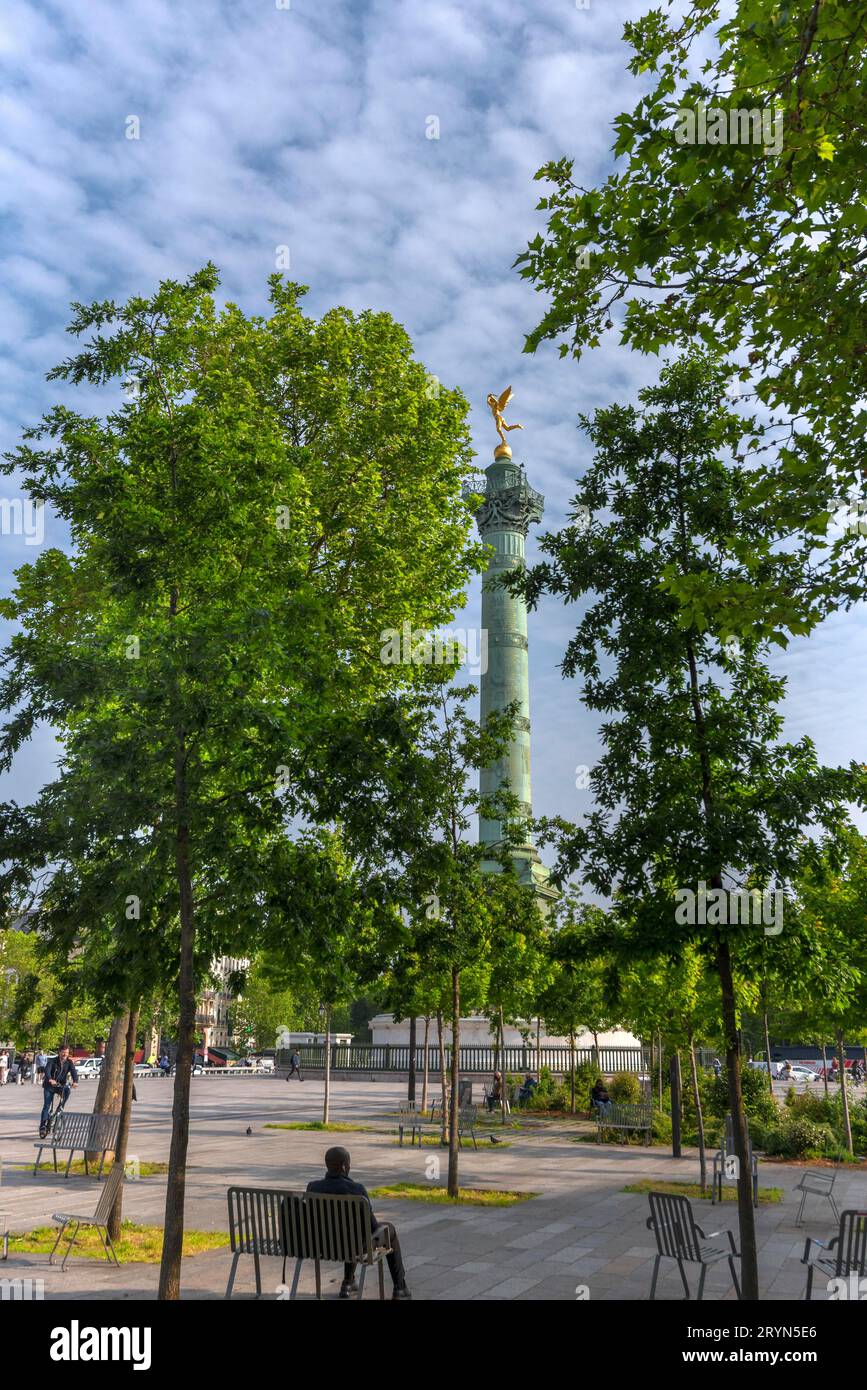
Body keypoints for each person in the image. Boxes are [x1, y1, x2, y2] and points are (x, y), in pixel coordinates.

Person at [306, 1147, 411, 1300]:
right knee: (389, 1230)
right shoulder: (357, 1189)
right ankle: (400, 1288)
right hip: (354, 1246)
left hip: (325, 1246)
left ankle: (348, 1283)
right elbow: (373, 1227)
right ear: (343, 1166)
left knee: (349, 1232)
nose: (349, 1167)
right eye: (348, 1164)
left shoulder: (313, 1187)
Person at [39, 1045, 79, 1136]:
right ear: (59, 1052)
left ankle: (60, 1109)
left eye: (67, 1052)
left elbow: (73, 1072)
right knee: (46, 1106)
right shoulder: (52, 1061)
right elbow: (47, 1070)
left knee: (67, 1090)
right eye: (63, 1052)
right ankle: (42, 1127)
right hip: (49, 1086)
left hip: (60, 1085)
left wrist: (75, 1081)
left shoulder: (69, 1062)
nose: (65, 1054)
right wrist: (50, 1079)